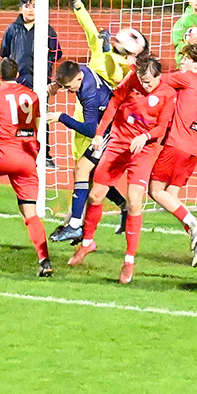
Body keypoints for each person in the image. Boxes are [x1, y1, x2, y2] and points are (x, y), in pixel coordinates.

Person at [72, 54, 177, 284]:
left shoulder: (168, 94)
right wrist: (99, 134)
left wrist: (145, 136)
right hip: (118, 144)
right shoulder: (132, 80)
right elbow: (113, 103)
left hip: (143, 151)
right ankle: (87, 243)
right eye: (142, 81)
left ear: (158, 77)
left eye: (149, 82)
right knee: (95, 195)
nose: (145, 86)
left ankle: (129, 261)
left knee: (134, 202)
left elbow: (161, 128)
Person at [0, 58, 53, 277]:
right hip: (28, 159)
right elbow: (37, 126)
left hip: (3, 154)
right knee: (30, 213)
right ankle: (44, 260)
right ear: (18, 75)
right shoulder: (32, 96)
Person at [47, 58, 129, 244]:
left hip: (113, 131)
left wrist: (62, 117)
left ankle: (75, 226)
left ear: (78, 79)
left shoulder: (89, 95)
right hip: (112, 125)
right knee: (92, 177)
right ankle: (124, 207)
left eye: (69, 87)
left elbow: (90, 130)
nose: (69, 91)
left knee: (81, 170)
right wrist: (56, 86)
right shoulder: (81, 71)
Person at [147, 44, 197, 266]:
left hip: (177, 145)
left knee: (155, 191)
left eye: (186, 58)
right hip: (192, 148)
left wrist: (136, 61)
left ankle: (194, 224)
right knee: (171, 196)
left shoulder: (188, 77)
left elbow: (154, 80)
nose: (181, 61)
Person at [0, 0, 62, 90]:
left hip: (40, 78)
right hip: (18, 78)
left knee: (39, 99)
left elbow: (57, 52)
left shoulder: (46, 29)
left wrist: (46, 63)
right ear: (20, 9)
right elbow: (4, 52)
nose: (30, 10)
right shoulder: (12, 29)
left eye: (34, 6)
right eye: (27, 6)